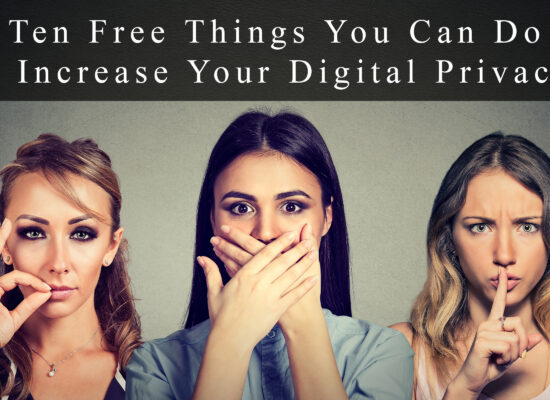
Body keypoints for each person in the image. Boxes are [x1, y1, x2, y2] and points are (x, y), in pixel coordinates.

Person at [126, 111, 414, 399]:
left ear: (326, 218)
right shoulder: (155, 365)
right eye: (241, 208)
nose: (265, 233)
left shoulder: (382, 352)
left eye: (291, 206)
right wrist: (229, 342)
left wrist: (304, 328)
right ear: (213, 220)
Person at [391, 133, 550, 399]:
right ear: (449, 238)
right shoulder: (402, 351)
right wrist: (464, 388)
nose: (504, 254)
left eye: (527, 227)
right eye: (481, 227)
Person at [0, 134, 141, 400]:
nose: (58, 264)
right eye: (33, 233)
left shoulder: (156, 372)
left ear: (111, 246)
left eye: (81, 234)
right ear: (5, 245)